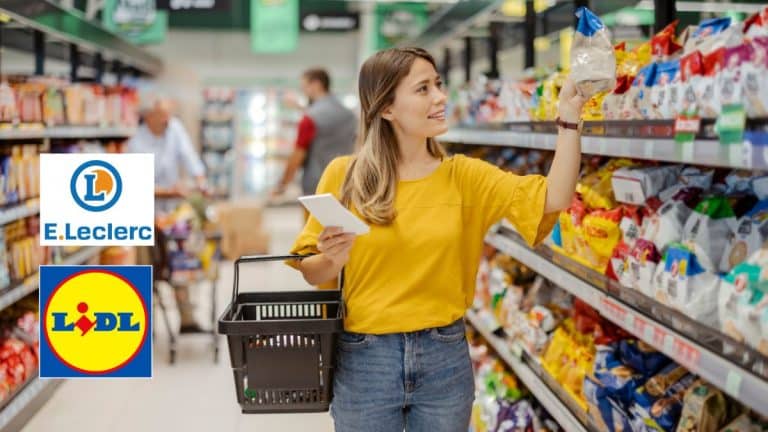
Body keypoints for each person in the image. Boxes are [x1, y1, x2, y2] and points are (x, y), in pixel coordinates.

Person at [288, 47, 586, 431]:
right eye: (423, 89)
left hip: (443, 358)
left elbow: (554, 197)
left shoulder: (464, 177)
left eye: (439, 85)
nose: (441, 97)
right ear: (387, 108)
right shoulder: (347, 176)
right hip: (365, 359)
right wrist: (332, 259)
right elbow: (311, 271)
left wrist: (570, 120)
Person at [127, 97, 208, 334]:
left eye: (168, 114)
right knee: (144, 268)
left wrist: (200, 180)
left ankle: (187, 318)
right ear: (149, 116)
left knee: (181, 261)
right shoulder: (136, 142)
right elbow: (134, 184)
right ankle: (142, 325)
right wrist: (167, 191)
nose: (167, 119)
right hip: (144, 214)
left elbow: (190, 158)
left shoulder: (174, 130)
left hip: (171, 213)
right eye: (162, 114)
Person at [273, 68, 356, 200]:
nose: (303, 91)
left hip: (317, 186)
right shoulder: (349, 115)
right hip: (346, 182)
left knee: (314, 221)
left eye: (304, 86)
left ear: (316, 84)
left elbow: (298, 154)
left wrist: (282, 184)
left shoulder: (309, 119)